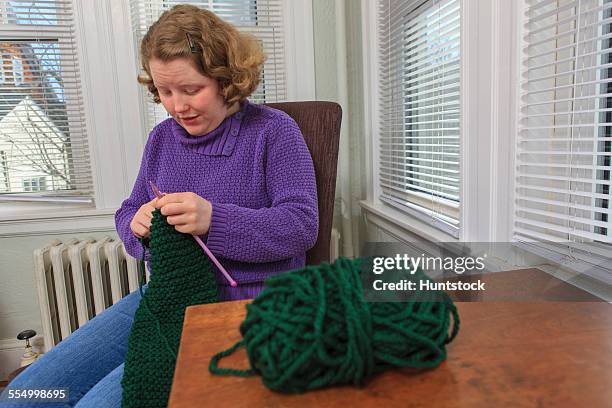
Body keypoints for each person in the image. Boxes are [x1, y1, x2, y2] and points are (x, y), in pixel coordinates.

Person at [4, 4, 318, 407]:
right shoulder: (162, 139)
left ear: (227, 79)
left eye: (191, 90)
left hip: (250, 304)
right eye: (164, 91)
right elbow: (127, 211)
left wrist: (213, 220)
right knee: (25, 396)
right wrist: (137, 227)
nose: (176, 106)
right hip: (167, 296)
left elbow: (301, 225)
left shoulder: (273, 132)